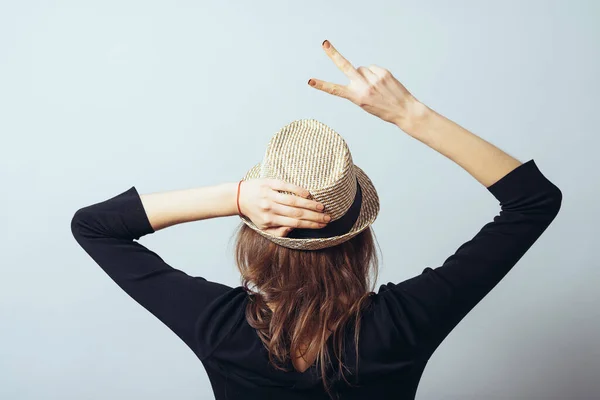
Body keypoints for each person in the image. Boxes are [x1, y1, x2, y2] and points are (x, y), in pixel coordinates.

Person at [70, 40, 562, 400]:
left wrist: (236, 195)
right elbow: (533, 201)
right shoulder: (405, 323)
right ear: (359, 235)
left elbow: (94, 226)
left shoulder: (218, 327)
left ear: (256, 234)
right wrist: (409, 113)